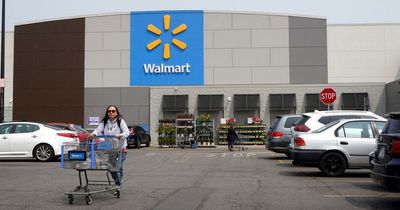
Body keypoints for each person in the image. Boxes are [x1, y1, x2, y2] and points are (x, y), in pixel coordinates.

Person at [90, 105, 130, 187]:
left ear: (116, 112)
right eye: (109, 111)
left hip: (120, 149)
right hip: (110, 149)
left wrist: (120, 135)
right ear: (107, 113)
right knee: (111, 168)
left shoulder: (120, 121)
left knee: (119, 167)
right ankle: (117, 182)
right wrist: (93, 134)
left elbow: (127, 132)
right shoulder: (104, 121)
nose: (111, 112)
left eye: (113, 111)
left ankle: (118, 184)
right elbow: (98, 130)